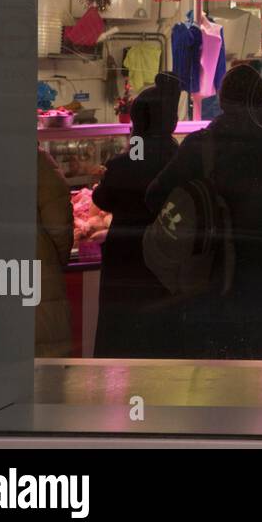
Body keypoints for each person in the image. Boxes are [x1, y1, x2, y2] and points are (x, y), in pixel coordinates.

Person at [146, 64, 262, 360]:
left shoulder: (201, 145)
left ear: (225, 101)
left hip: (211, 289)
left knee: (217, 387)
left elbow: (156, 196)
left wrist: (199, 213)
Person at [91, 72, 181, 357]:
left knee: (124, 343)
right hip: (167, 265)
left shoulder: (124, 163)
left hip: (126, 264)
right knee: (161, 343)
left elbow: (103, 198)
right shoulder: (180, 160)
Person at [35, 146, 74, 357]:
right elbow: (59, 225)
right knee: (46, 379)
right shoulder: (38, 161)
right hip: (39, 283)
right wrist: (54, 264)